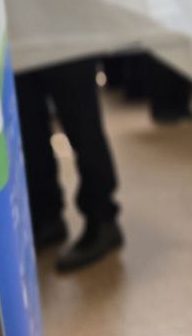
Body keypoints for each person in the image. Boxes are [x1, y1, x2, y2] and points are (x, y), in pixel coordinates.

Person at [14, 58, 124, 271]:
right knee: (28, 125)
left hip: (62, 44)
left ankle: (102, 219)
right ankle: (46, 217)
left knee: (81, 121)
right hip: (17, 44)